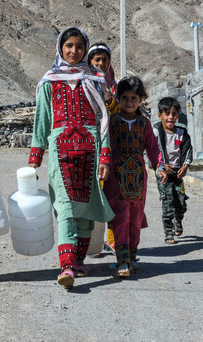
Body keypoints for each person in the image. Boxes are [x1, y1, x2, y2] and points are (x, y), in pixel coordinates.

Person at [29, 27, 114, 289]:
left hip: (90, 150)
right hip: (60, 152)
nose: (74, 51)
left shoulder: (96, 79)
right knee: (64, 208)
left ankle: (78, 260)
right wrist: (35, 158)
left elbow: (103, 122)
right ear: (60, 48)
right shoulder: (49, 81)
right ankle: (66, 266)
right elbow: (42, 121)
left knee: (87, 210)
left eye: (79, 46)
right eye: (69, 46)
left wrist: (105, 157)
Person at [104, 76, 166, 277]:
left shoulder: (144, 124)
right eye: (125, 98)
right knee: (120, 216)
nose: (129, 102)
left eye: (133, 98)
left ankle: (131, 257)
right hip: (115, 177)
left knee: (135, 218)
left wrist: (159, 166)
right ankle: (122, 260)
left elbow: (153, 148)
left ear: (140, 100)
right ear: (118, 98)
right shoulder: (112, 122)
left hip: (138, 178)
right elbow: (105, 147)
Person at [86, 42, 118, 254]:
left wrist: (109, 98)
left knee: (112, 194)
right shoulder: (84, 83)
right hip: (89, 146)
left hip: (111, 146)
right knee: (92, 194)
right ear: (89, 62)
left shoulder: (113, 87)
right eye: (96, 60)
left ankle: (111, 240)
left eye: (104, 60)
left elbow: (118, 112)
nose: (100, 63)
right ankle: (92, 243)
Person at [153, 97, 193, 244]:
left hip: (178, 172)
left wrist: (186, 166)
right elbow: (150, 150)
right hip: (162, 172)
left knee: (181, 202)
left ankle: (178, 219)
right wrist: (161, 165)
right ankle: (168, 231)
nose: (171, 117)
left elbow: (188, 150)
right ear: (160, 115)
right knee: (167, 200)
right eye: (167, 113)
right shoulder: (156, 132)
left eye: (174, 114)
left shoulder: (182, 132)